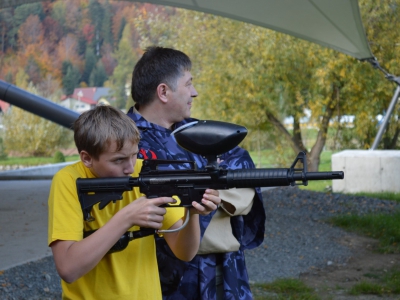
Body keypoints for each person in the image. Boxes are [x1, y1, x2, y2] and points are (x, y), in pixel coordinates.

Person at [127, 46, 266, 300]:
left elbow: (244, 169)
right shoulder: (124, 143)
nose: (195, 92)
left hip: (223, 272)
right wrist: (213, 202)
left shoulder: (201, 133)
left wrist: (191, 200)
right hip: (162, 282)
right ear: (163, 92)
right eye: (188, 84)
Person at [47, 105, 221, 299]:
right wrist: (127, 218)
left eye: (134, 155)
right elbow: (68, 268)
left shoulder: (145, 172)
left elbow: (184, 252)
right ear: (87, 158)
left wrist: (193, 211)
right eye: (118, 160)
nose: (130, 168)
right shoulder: (69, 180)